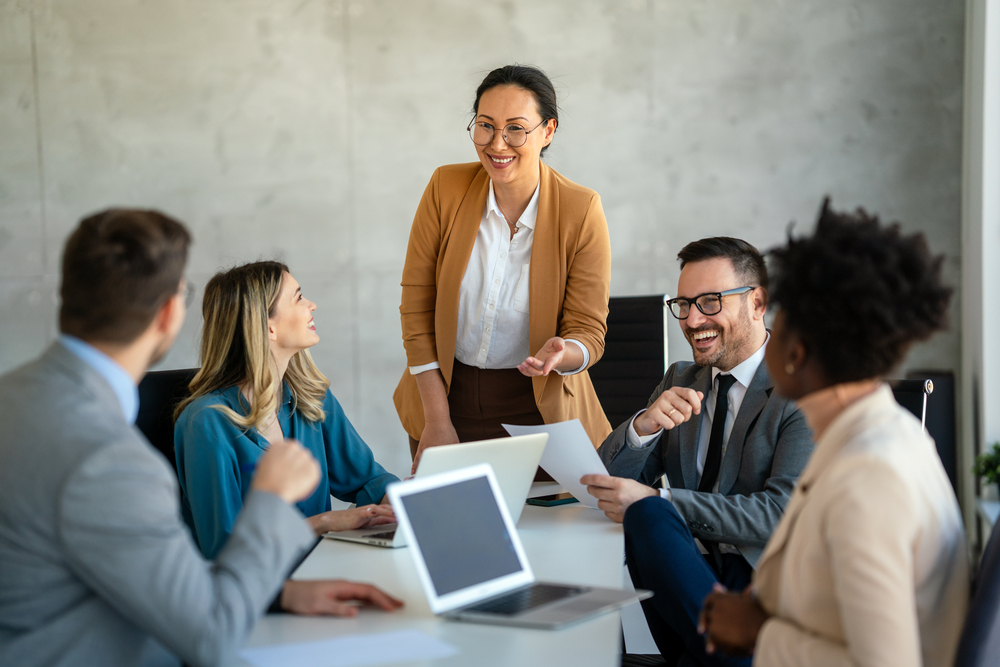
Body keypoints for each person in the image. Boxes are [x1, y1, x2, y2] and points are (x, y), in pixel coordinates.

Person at [0, 210, 401, 667]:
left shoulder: (15, 401)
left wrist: (283, 595)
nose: (311, 306)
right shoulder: (113, 459)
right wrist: (273, 499)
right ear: (170, 312)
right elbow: (210, 632)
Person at [699, 201, 968, 666]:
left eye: (777, 319)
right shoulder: (871, 436)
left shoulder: (869, 478)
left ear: (796, 353)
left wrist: (761, 632)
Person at [583, 237, 814, 667]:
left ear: (758, 302)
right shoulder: (681, 377)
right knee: (645, 517)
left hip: (760, 583)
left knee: (652, 510)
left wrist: (663, 500)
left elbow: (781, 515)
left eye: (710, 302)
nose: (692, 320)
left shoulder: (799, 388)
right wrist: (643, 427)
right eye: (684, 304)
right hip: (685, 573)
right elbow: (607, 481)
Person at [394, 64, 612, 474]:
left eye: (516, 128)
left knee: (549, 535)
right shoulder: (445, 188)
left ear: (548, 131)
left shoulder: (581, 210)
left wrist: (565, 353)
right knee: (456, 534)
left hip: (537, 411)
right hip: (443, 403)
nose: (498, 144)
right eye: (485, 126)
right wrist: (438, 421)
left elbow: (589, 331)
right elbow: (416, 310)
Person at [175, 261, 399, 560]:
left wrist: (397, 500)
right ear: (268, 327)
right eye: (298, 297)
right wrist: (324, 523)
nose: (312, 305)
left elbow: (368, 480)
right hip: (256, 591)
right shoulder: (206, 423)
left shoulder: (312, 399)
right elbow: (224, 548)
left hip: (323, 567)